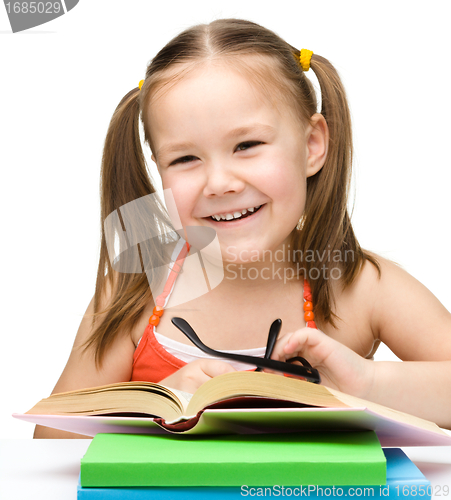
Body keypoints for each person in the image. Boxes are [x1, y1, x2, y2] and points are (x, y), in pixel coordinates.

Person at [34, 18, 451, 438]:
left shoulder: (363, 288)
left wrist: (368, 384)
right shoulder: (134, 289)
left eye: (246, 146)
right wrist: (155, 405)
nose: (220, 183)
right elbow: (49, 442)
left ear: (311, 146)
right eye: (184, 159)